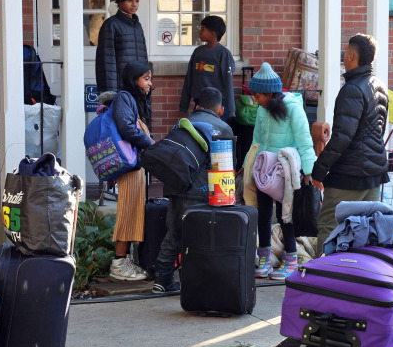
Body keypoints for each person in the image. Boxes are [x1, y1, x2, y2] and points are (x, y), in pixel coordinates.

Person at [311, 34, 390, 254]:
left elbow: (342, 138)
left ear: (352, 55)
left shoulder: (352, 89)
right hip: (374, 173)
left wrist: (320, 168)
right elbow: (379, 131)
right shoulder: (379, 85)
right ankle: (355, 281)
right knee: (363, 231)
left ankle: (323, 280)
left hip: (349, 174)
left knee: (329, 225)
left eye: (346, 51)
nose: (344, 55)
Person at [152, 87, 234, 293]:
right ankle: (195, 283)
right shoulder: (223, 128)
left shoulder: (181, 124)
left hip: (175, 188)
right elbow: (224, 167)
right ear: (221, 109)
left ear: (196, 106)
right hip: (202, 192)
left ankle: (162, 281)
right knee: (200, 237)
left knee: (174, 233)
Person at [247, 63, 317, 280]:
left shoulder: (294, 108)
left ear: (269, 93)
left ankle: (291, 259)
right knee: (263, 214)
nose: (255, 100)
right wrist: (246, 165)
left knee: (286, 215)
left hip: (286, 172)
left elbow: (305, 142)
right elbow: (256, 140)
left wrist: (309, 171)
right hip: (263, 170)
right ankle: (264, 258)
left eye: (257, 96)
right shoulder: (261, 109)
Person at [107, 61, 155, 281]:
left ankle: (125, 260)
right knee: (128, 210)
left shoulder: (132, 99)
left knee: (133, 209)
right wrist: (150, 144)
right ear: (133, 79)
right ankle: (118, 264)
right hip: (128, 165)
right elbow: (126, 128)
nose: (150, 83)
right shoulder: (124, 97)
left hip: (133, 164)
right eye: (146, 78)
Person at [95, 0, 151, 126]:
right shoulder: (111, 25)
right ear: (119, 1)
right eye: (130, 1)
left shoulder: (137, 26)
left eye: (137, 1)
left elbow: (143, 59)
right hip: (121, 91)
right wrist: (110, 95)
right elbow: (106, 62)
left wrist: (146, 83)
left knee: (139, 128)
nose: (134, 5)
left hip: (138, 89)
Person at [179, 15, 236, 122]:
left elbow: (228, 83)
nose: (199, 32)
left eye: (203, 29)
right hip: (199, 104)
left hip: (217, 106)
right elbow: (189, 80)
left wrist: (231, 111)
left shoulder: (224, 54)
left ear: (212, 34)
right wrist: (184, 105)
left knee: (215, 136)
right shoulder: (198, 52)